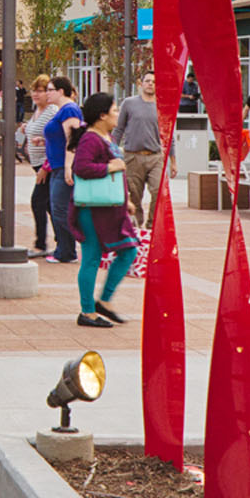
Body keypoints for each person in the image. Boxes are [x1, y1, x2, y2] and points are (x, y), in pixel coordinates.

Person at [71, 92, 139, 328]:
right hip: (92, 209)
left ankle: (104, 302)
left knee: (129, 250)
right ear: (101, 116)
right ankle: (88, 311)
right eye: (114, 110)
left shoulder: (105, 136)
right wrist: (110, 166)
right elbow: (81, 167)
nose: (117, 114)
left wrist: (125, 200)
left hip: (110, 207)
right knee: (91, 258)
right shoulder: (91, 139)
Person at [43, 80, 85, 264]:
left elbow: (72, 139)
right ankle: (63, 248)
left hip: (63, 166)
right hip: (56, 166)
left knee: (60, 209)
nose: (47, 93)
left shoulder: (69, 110)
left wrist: (69, 167)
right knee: (56, 207)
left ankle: (67, 251)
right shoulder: (61, 111)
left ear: (61, 91)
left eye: (50, 90)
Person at [116, 72, 163, 226]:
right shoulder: (129, 103)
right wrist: (112, 150)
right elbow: (118, 129)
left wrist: (173, 160)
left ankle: (151, 225)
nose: (151, 84)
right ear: (140, 83)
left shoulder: (162, 105)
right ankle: (137, 226)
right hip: (133, 156)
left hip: (155, 156)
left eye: (154, 82)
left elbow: (168, 133)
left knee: (158, 191)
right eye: (148, 81)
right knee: (135, 195)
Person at [20, 75, 60, 258]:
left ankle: (41, 244)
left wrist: (46, 166)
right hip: (37, 165)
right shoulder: (37, 111)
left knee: (39, 201)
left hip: (49, 166)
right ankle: (62, 242)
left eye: (41, 90)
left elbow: (57, 139)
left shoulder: (52, 111)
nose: (36, 94)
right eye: (34, 90)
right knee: (50, 205)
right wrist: (26, 128)